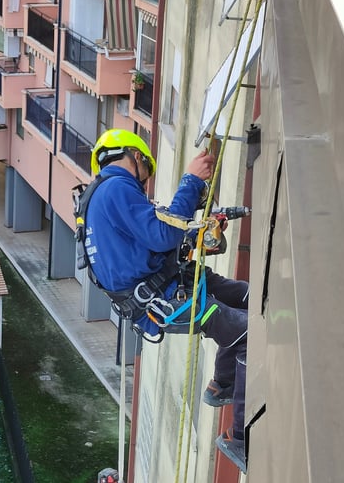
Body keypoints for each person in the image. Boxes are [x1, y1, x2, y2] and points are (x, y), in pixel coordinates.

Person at [79, 129, 249, 472]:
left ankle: (222, 384)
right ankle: (240, 440)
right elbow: (162, 234)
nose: (145, 181)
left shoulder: (102, 196)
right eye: (146, 170)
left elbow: (155, 240)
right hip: (166, 299)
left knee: (246, 296)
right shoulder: (116, 187)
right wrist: (190, 180)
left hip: (172, 285)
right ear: (136, 157)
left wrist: (200, 229)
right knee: (251, 334)